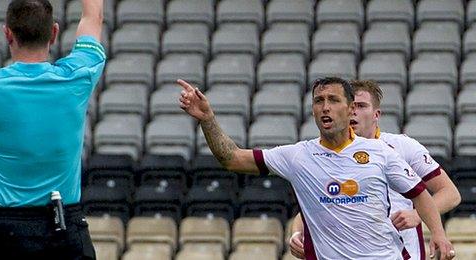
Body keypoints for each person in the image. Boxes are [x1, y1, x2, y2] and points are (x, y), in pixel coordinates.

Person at [177, 77, 455, 259]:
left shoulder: (383, 151)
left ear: (349, 111)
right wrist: (207, 119)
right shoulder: (298, 156)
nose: (325, 107)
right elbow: (232, 158)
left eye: (334, 101)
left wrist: (439, 236)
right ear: (312, 111)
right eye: (319, 101)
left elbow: (421, 194)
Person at [0, 0, 105, 258]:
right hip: (63, 229)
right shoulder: (78, 73)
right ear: (54, 32)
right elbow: (93, 17)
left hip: (4, 234)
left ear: (7, 33)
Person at [288, 80, 461, 259]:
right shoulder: (327, 154)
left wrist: (417, 215)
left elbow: (450, 193)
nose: (354, 111)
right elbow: (319, 204)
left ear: (376, 114)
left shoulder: (402, 146)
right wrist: (295, 233)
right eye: (350, 106)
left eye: (361, 106)